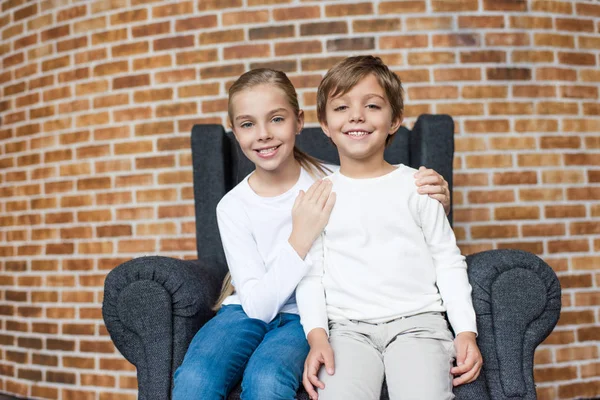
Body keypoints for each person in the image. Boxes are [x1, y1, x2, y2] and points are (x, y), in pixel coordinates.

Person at [172, 68, 451, 399]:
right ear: (234, 132)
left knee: (267, 380)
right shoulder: (232, 206)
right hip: (246, 308)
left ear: (299, 122)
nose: (263, 134)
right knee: (194, 380)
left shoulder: (335, 181)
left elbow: (386, 207)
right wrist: (299, 239)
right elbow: (258, 306)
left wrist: (438, 202)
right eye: (248, 124)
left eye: (276, 119)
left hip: (309, 314)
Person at [297, 56, 483, 400]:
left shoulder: (419, 186)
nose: (356, 116)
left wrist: (465, 331)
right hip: (347, 331)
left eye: (372, 105)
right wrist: (317, 336)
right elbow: (311, 274)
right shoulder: (319, 196)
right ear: (324, 124)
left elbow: (447, 260)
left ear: (395, 119)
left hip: (419, 323)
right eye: (341, 107)